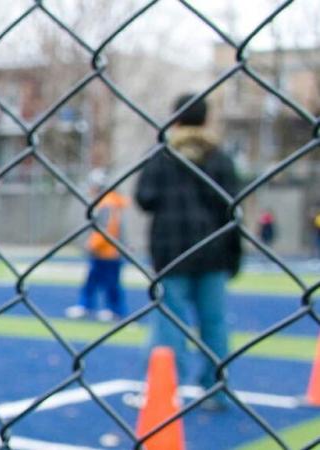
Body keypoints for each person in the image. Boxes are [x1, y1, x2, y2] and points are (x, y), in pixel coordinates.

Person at [135, 93, 241, 410]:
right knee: (214, 323)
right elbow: (232, 209)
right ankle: (216, 388)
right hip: (214, 252)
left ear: (175, 118)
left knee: (169, 323)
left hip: (171, 252)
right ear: (206, 119)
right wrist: (234, 255)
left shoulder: (162, 155)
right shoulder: (219, 157)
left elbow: (144, 198)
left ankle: (165, 391)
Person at [65, 169, 129, 321]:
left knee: (106, 282)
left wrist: (93, 244)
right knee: (98, 281)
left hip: (106, 251)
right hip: (109, 250)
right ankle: (94, 307)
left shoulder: (106, 203)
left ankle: (111, 309)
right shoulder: (112, 202)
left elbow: (106, 229)